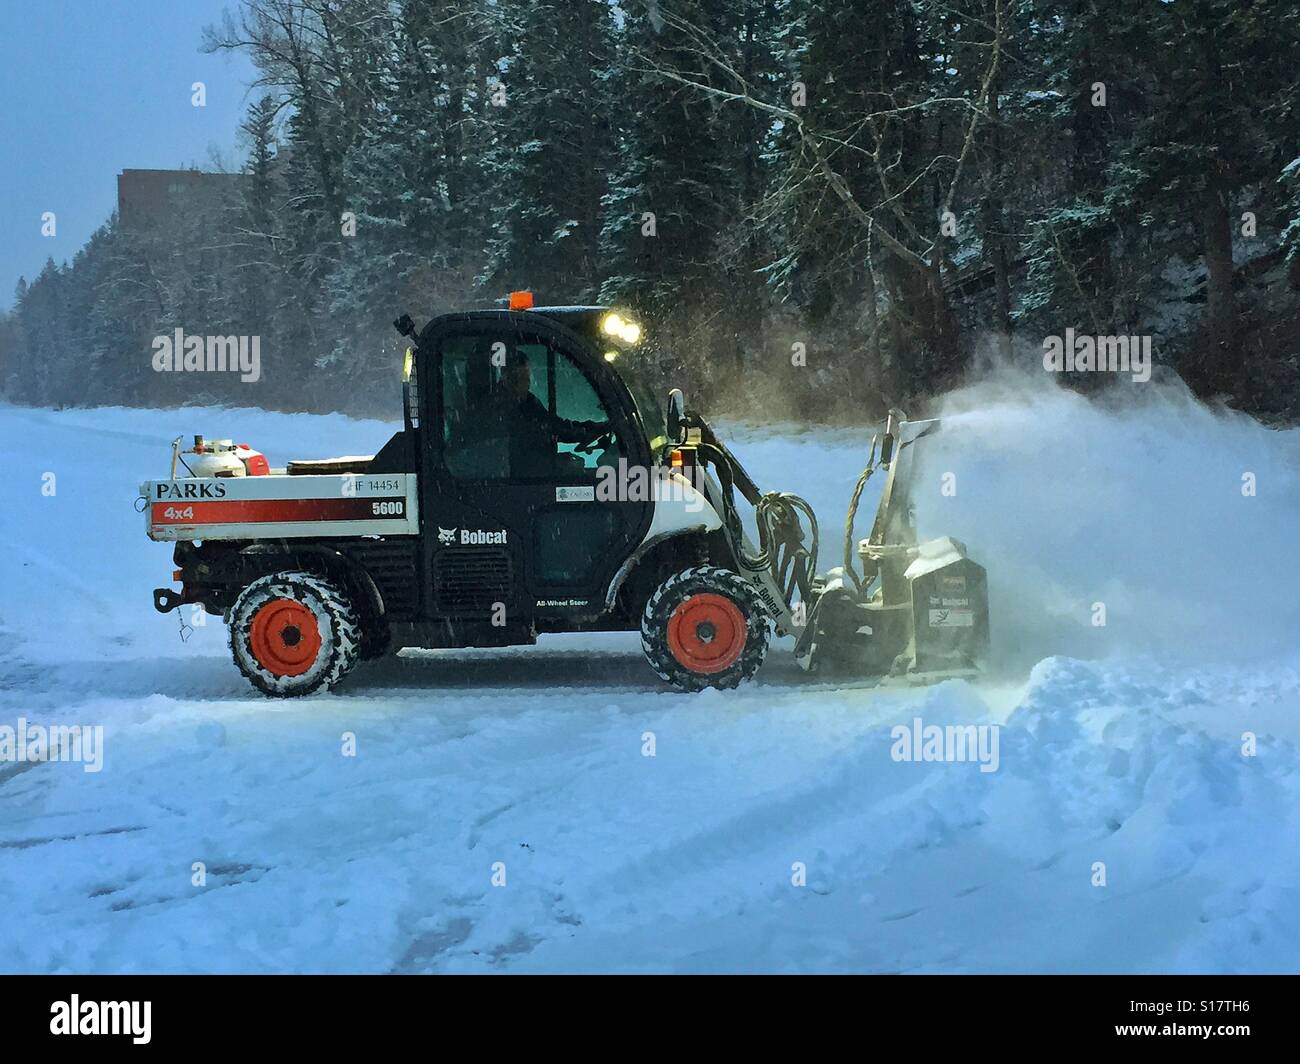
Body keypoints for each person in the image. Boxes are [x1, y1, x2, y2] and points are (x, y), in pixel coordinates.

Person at [496, 349, 606, 478]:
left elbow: (555, 425)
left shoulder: (528, 403)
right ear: (505, 377)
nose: (524, 385)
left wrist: (591, 428)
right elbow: (546, 433)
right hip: (523, 480)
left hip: (534, 473)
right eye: (517, 380)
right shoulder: (500, 409)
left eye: (526, 380)